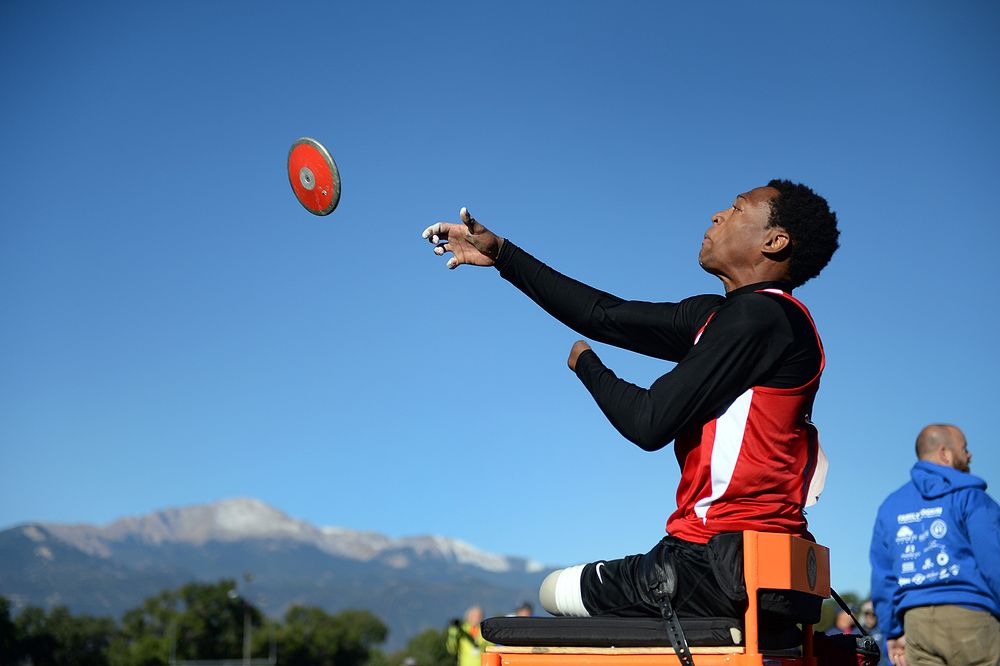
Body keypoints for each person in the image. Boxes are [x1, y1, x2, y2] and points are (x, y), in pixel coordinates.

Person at [423, 179, 840, 622]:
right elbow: (603, 315)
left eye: (737, 209)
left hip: (713, 565)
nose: (718, 216)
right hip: (761, 567)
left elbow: (648, 421)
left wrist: (587, 366)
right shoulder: (727, 316)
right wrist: (504, 255)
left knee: (553, 591)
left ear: (775, 242)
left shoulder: (761, 317)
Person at [869, 424, 1000, 666]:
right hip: (972, 618)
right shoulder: (971, 497)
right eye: (965, 448)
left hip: (917, 626)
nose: (969, 455)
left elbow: (883, 576)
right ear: (945, 453)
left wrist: (893, 631)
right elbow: (994, 561)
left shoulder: (891, 507)